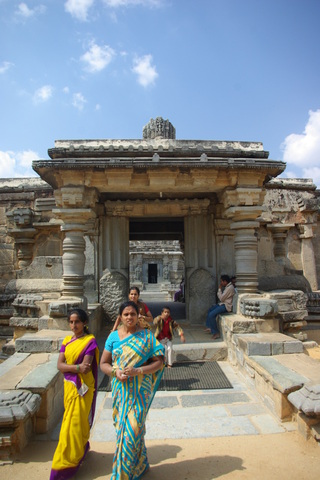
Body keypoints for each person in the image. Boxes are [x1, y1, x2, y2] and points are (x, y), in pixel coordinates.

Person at [100, 301, 164, 479]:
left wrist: (139, 371)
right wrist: (115, 371)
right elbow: (103, 363)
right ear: (120, 317)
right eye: (126, 314)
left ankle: (121, 475)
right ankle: (141, 464)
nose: (129, 317)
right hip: (120, 390)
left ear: (138, 316)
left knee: (133, 429)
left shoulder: (147, 337)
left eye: (133, 314)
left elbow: (159, 362)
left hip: (140, 390)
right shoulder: (113, 337)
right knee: (124, 430)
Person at [50, 308, 99, 480]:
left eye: (77, 322)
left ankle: (64, 465)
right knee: (70, 423)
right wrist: (76, 368)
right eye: (71, 322)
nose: (73, 325)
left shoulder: (90, 341)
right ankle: (79, 450)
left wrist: (71, 368)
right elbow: (59, 365)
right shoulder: (67, 340)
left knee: (76, 425)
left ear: (84, 323)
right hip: (70, 387)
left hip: (83, 388)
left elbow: (86, 367)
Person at [204, 274, 236, 340]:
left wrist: (219, 289)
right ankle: (210, 327)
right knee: (210, 309)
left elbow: (221, 298)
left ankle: (216, 333)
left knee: (211, 315)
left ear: (225, 282)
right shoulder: (228, 287)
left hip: (226, 306)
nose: (221, 283)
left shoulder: (230, 288)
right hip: (222, 304)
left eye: (222, 281)